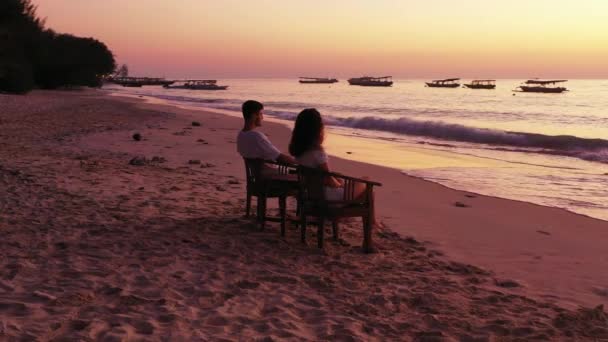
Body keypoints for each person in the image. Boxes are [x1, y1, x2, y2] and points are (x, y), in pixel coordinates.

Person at [289, 108, 369, 203]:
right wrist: (339, 185)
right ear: (318, 130)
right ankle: (369, 218)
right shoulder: (317, 153)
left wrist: (337, 180)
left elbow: (321, 176)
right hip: (326, 199)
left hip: (309, 196)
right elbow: (328, 178)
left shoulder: (299, 152)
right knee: (365, 181)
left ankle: (344, 216)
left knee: (339, 177)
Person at [237, 100, 295, 167]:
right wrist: (298, 162)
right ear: (253, 116)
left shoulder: (241, 135)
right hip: (267, 175)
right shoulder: (256, 136)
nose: (262, 117)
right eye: (261, 114)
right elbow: (279, 157)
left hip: (255, 174)